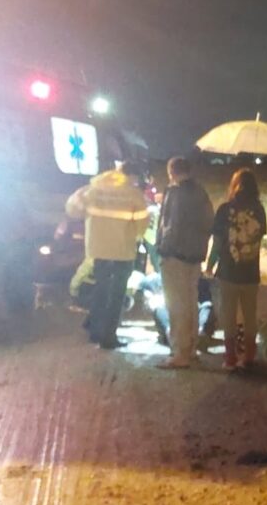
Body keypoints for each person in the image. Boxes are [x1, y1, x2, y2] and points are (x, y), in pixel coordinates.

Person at [65, 161, 150, 349]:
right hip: (123, 251)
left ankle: (94, 330)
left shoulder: (93, 189)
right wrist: (134, 237)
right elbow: (142, 225)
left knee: (101, 289)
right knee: (117, 295)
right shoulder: (133, 194)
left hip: (98, 249)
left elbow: (72, 209)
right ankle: (108, 338)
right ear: (132, 176)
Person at [155, 156, 214, 369]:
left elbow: (171, 226)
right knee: (191, 303)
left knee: (176, 305)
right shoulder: (201, 192)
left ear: (172, 171)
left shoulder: (176, 193)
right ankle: (191, 348)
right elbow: (209, 223)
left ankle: (180, 353)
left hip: (175, 256)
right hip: (194, 256)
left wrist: (163, 249)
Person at [206, 168, 267, 370]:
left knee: (229, 315)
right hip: (251, 273)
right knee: (250, 315)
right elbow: (258, 239)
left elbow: (217, 242)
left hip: (228, 272)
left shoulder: (224, 210)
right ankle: (249, 356)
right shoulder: (259, 210)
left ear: (234, 186)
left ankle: (230, 358)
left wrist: (210, 264)